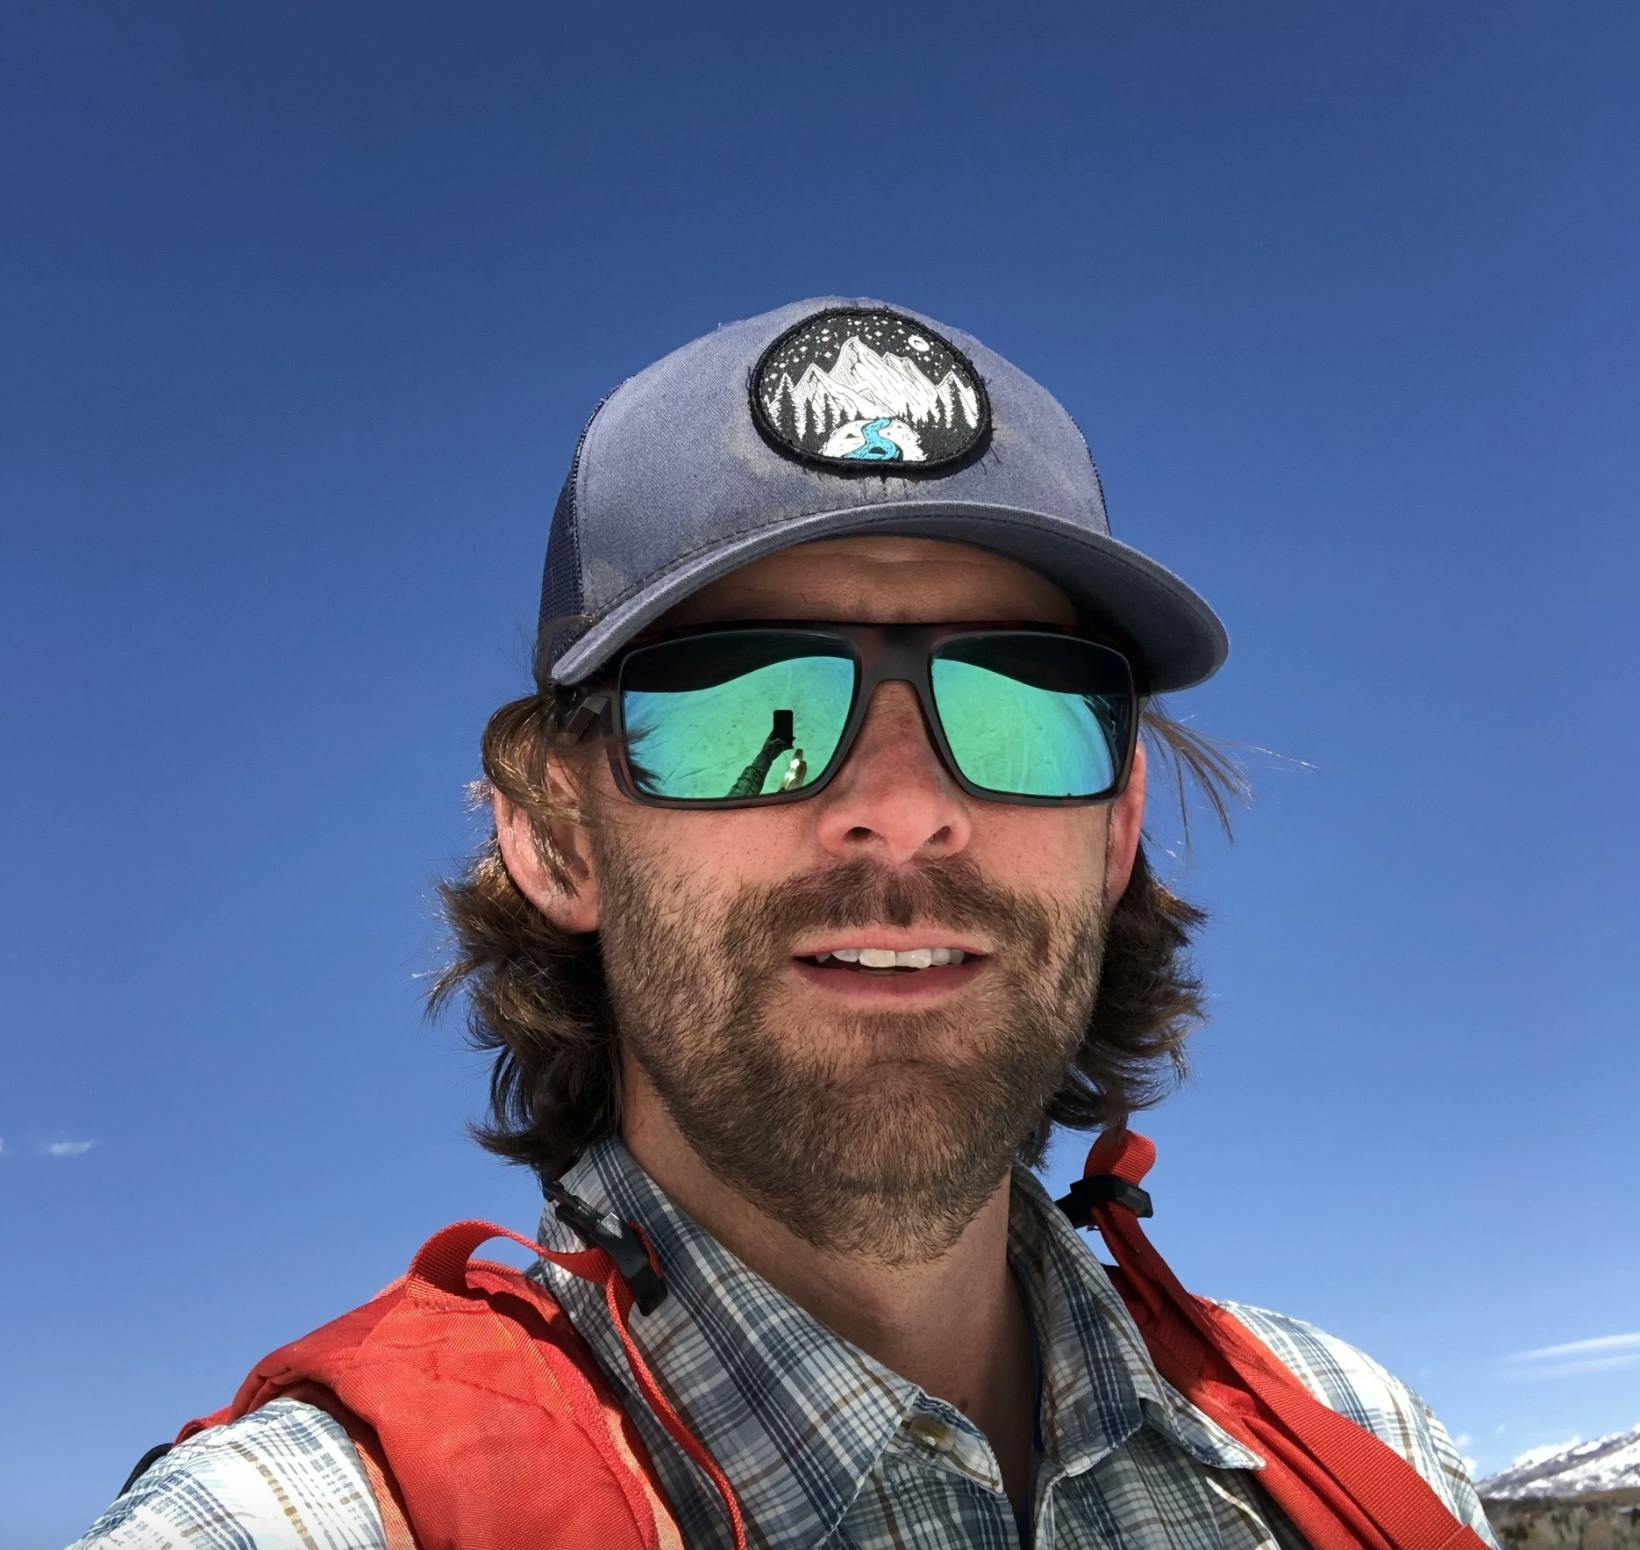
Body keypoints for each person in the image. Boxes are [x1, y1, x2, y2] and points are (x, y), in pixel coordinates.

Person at [71, 299, 1498, 1549]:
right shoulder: (302, 1519)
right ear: (560, 835)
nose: (904, 806)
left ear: (1115, 828)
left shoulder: (1366, 1453)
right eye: (745, 706)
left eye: (1021, 705)